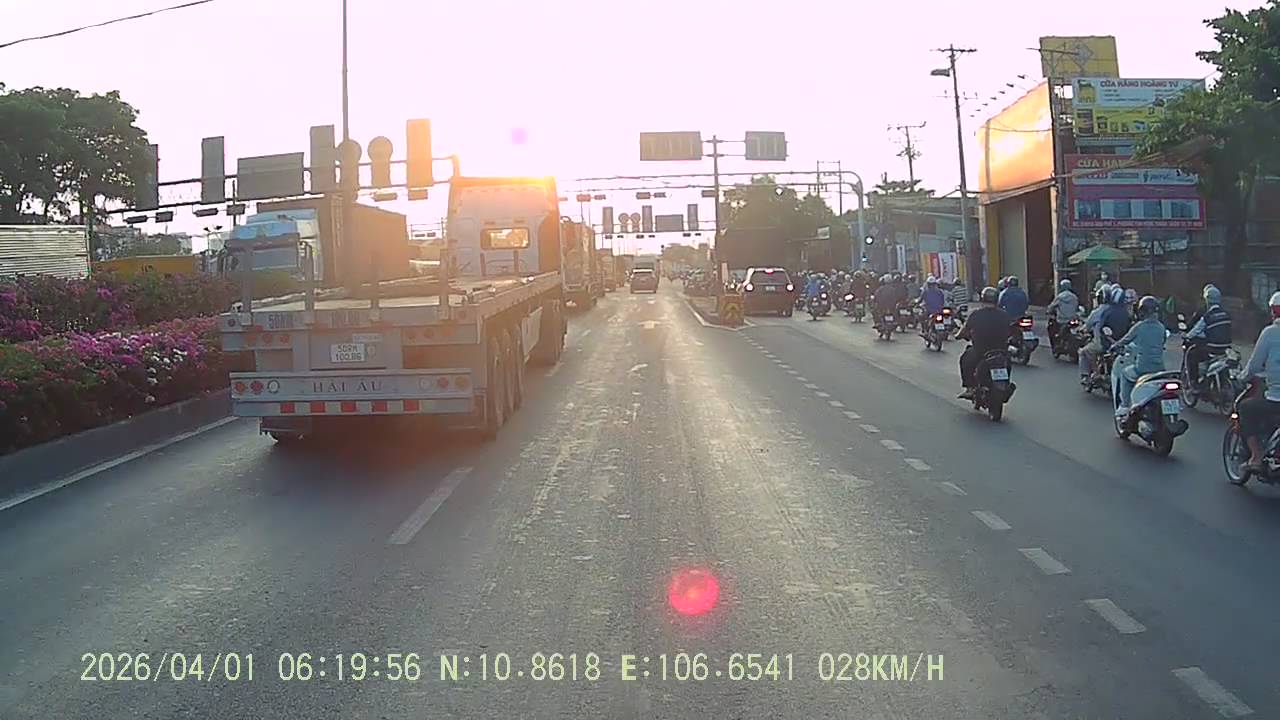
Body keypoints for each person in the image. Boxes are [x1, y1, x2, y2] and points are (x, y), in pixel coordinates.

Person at [1237, 291, 1280, 472]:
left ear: (1273, 311)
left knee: (1245, 408)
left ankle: (1256, 456)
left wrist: (1242, 377)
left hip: (1276, 398)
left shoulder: (1270, 333)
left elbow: (1254, 365)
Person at [1111, 295, 1168, 418]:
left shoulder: (1139, 326)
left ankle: (1124, 406)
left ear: (1142, 311)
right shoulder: (1161, 327)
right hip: (1159, 369)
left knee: (1125, 374)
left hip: (1142, 368)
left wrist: (1114, 346)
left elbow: (1125, 340)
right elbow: (1162, 342)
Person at [957, 286, 1013, 399]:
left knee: (964, 359)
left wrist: (958, 336)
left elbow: (964, 330)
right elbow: (1010, 331)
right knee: (1007, 363)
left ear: (982, 299)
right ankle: (1005, 385)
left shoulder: (976, 314)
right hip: (1001, 351)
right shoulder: (1005, 315)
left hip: (981, 351)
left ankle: (969, 388)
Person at [1184, 284, 1233, 391]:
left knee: (1191, 355)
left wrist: (1187, 336)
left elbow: (1196, 330)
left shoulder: (1208, 316)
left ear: (1207, 300)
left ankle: (1194, 383)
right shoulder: (1226, 314)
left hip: (1212, 348)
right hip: (1226, 348)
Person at [1080, 285, 1132, 385]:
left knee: (1084, 351)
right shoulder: (1126, 313)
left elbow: (1098, 327)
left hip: (1106, 343)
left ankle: (1094, 373)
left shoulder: (1103, 311)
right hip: (1122, 345)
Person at [1046, 279, 1080, 345]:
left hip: (1061, 320)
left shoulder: (1060, 297)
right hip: (1072, 319)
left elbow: (1051, 306)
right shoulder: (1074, 297)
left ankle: (1056, 343)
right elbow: (1077, 307)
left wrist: (1048, 311)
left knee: (1052, 328)